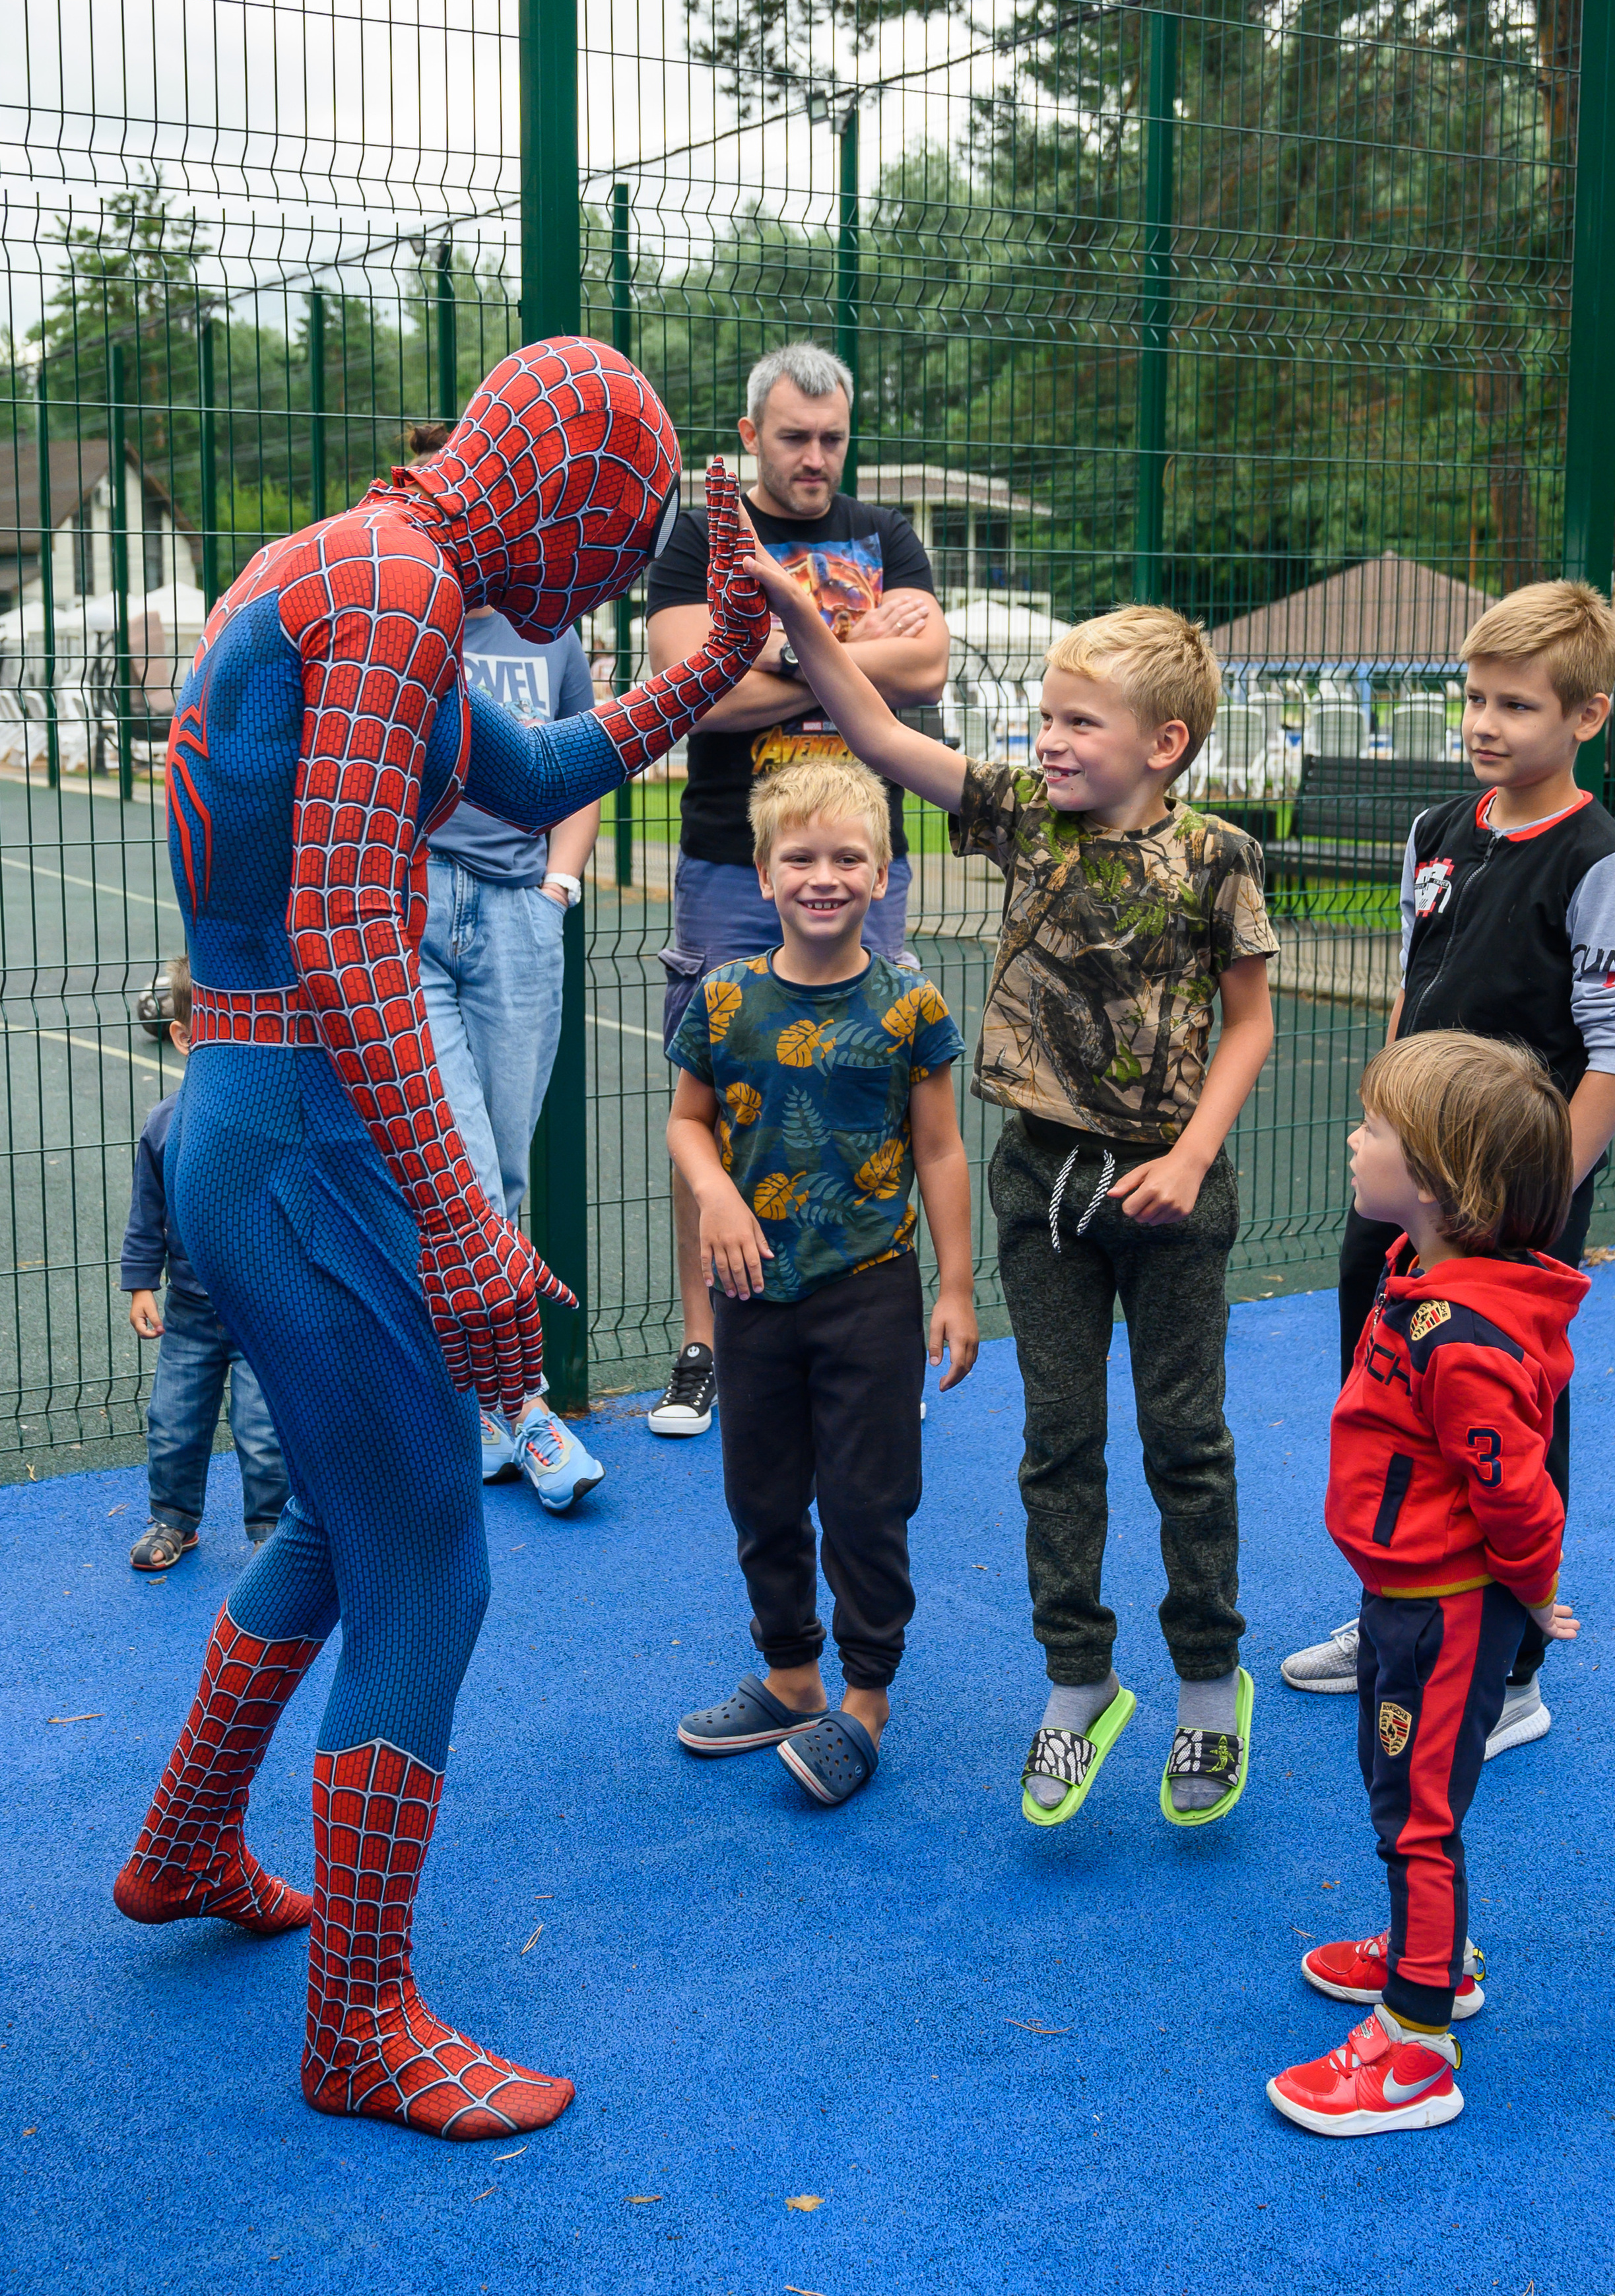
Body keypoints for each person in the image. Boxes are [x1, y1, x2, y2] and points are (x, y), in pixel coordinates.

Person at [113, 341, 775, 2141]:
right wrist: (470, 1221)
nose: (609, 571)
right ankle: (359, 2029)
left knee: (344, 1515)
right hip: (299, 1116)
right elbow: (344, 928)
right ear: (557, 483)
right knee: (431, 1565)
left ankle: (181, 1844)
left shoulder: (347, 568)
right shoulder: (402, 589)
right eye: (620, 529)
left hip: (262, 1114)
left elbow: (535, 757)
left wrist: (710, 666)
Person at [760, 579, 1278, 1827]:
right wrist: (796, 608)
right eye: (1045, 716)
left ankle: (1208, 1686)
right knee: (1059, 1444)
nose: (1049, 739)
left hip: (1169, 1190)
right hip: (1042, 1182)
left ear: (1165, 743)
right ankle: (1079, 1682)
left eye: (1079, 721)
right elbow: (880, 735)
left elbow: (1251, 1021)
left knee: (1184, 1443)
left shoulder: (1217, 857)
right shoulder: (1020, 821)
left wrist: (1198, 1154)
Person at [1282, 581, 1615, 1755]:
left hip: (1510, 1214)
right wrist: (1387, 1132)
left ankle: (1512, 1670)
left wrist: (1530, 1204)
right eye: (1474, 697)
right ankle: (1396, 1615)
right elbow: (1412, 992)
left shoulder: (1605, 866)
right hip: (1412, 1192)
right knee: (1387, 1393)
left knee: (1502, 1418)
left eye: (1518, 704)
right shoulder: (1439, 834)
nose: (1486, 723)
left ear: (1587, 713)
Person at [1268, 1032, 1584, 2138]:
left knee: (1419, 1812)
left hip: (1444, 1608)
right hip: (1407, 1591)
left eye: (1376, 1132)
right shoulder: (1425, 1278)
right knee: (1397, 1787)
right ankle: (1426, 1958)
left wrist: (1535, 1592)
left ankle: (1417, 2041)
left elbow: (1518, 1488)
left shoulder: (1468, 1338)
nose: (1356, 1141)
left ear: (1449, 1185)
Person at [642, 341, 950, 1441]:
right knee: (718, 1100)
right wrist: (853, 647)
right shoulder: (702, 536)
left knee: (876, 1088)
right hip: (734, 860)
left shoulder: (888, 534)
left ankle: (864, 1335)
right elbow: (691, 689)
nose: (814, 458)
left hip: (870, 855)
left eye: (831, 438)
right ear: (750, 439)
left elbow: (931, 671)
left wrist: (770, 645)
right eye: (793, 438)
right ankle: (704, 1348)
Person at [665, 758, 977, 1806]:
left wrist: (957, 1286)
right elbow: (686, 1121)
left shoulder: (911, 1006)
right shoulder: (722, 999)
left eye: (849, 856)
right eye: (800, 857)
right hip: (755, 1295)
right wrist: (714, 1193)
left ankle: (867, 1695)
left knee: (866, 1499)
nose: (824, 875)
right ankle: (792, 1676)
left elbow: (939, 1150)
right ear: (762, 876)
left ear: (884, 874)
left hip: (870, 1291)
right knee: (760, 1492)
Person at [405, 420, 607, 1515]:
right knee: (465, 1169)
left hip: (522, 908)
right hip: (419, 904)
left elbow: (582, 764)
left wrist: (558, 887)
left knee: (510, 1167)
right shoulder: (408, 605)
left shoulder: (551, 629)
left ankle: (487, 1399)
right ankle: (513, 1400)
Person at [121, 954, 288, 1571]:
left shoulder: (269, 1121)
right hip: (189, 1313)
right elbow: (147, 1213)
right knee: (173, 1423)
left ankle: (272, 1532)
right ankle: (173, 1520)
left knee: (265, 1431)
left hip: (260, 1311)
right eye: (214, 1032)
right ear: (186, 1038)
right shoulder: (165, 1123)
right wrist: (141, 1282)